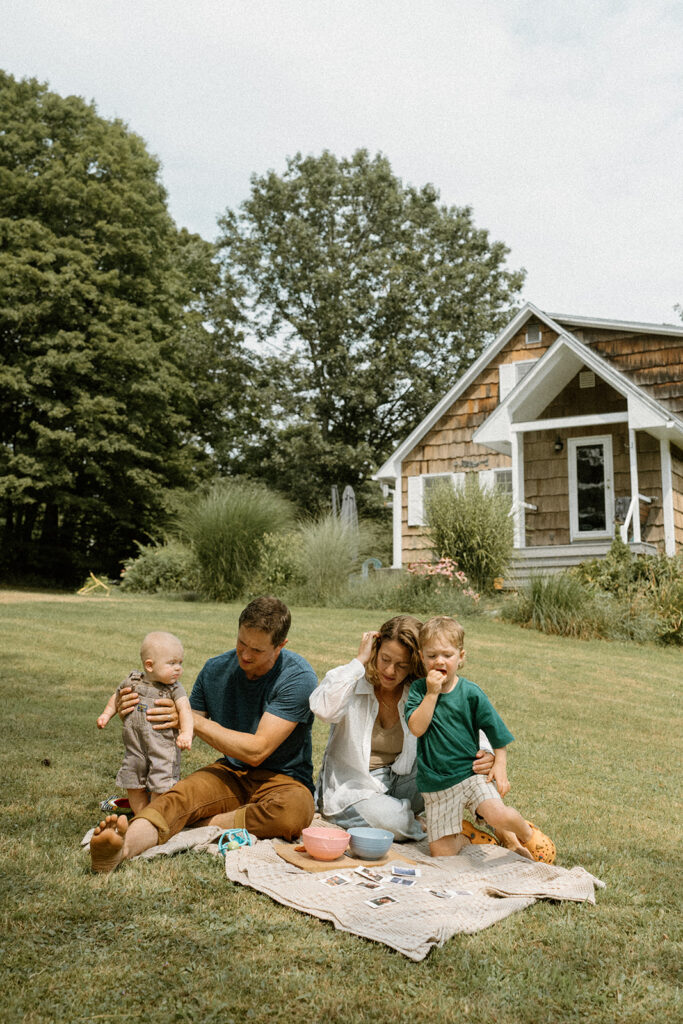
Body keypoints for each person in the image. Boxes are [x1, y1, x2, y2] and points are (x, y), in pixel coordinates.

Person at [90, 596, 318, 873]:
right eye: (241, 644)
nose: (245, 655)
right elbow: (182, 724)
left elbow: (257, 751)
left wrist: (191, 722)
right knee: (179, 796)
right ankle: (120, 849)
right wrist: (137, 709)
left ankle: (199, 823)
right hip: (231, 773)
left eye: (256, 650)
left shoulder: (298, 676)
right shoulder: (215, 669)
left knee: (294, 812)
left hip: (284, 780)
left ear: (281, 646)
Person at [310, 615, 496, 841]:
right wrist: (359, 661)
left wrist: (486, 751)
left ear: (415, 662)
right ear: (375, 652)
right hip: (356, 784)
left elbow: (463, 717)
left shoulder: (419, 691)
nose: (390, 671)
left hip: (405, 779)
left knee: (470, 759)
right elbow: (324, 709)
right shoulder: (352, 681)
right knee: (392, 821)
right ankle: (436, 827)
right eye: (385, 659)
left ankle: (502, 824)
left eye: (401, 665)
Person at [405, 616, 555, 861]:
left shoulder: (471, 693)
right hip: (437, 786)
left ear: (461, 657)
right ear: (422, 657)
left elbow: (497, 732)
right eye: (432, 656)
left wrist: (500, 767)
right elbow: (417, 729)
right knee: (441, 853)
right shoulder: (419, 691)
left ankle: (526, 834)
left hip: (471, 775)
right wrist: (432, 694)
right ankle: (470, 836)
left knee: (498, 815)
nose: (439, 661)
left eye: (447, 655)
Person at [97, 631, 193, 815]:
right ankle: (142, 816)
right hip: (135, 749)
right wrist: (106, 714)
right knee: (133, 783)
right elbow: (117, 697)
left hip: (162, 750)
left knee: (161, 784)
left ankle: (154, 816)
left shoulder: (174, 689)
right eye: (172, 663)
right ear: (149, 665)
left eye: (180, 663)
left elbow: (185, 710)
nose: (178, 669)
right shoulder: (132, 681)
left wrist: (186, 733)